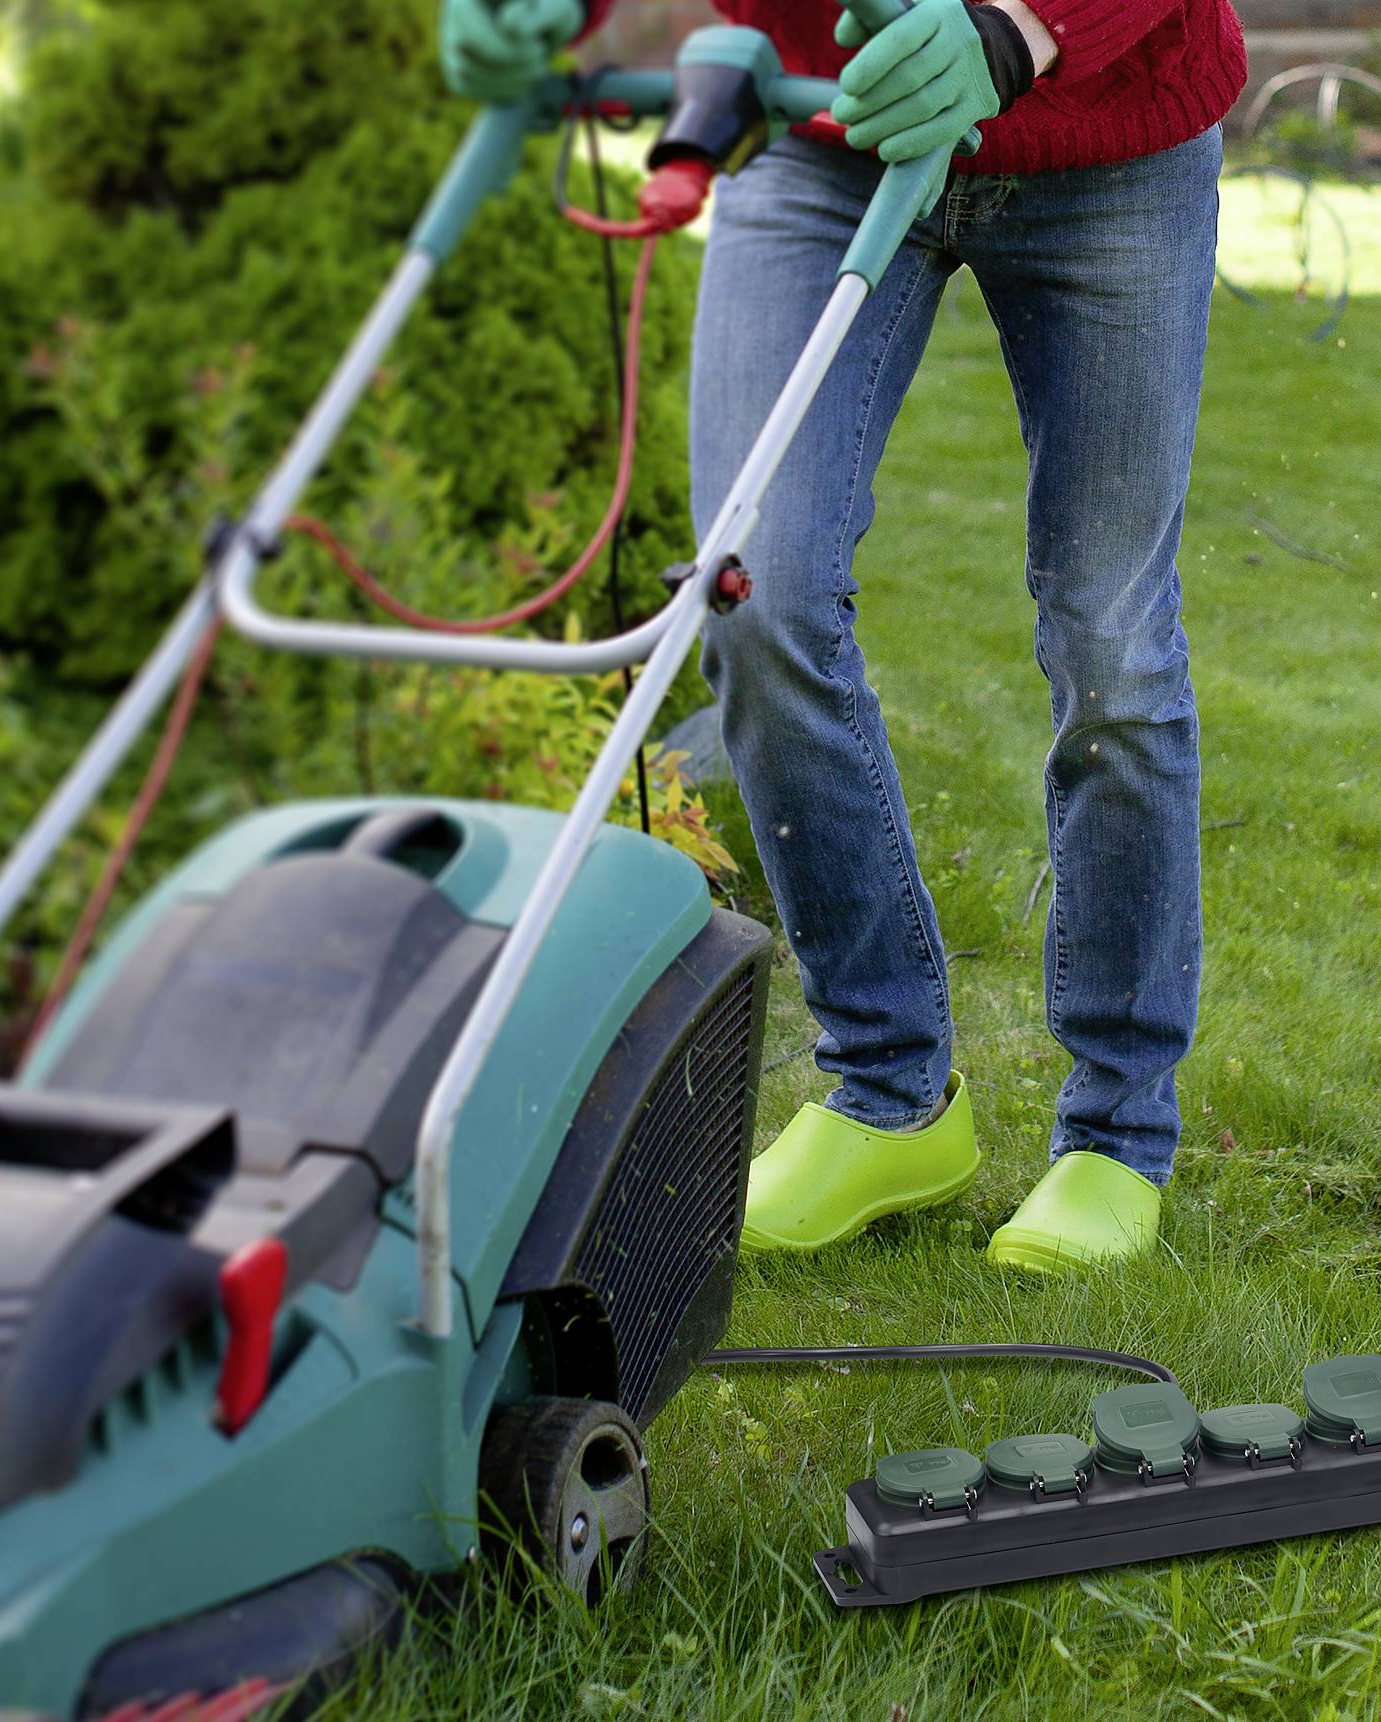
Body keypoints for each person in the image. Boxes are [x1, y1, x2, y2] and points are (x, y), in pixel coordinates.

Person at [441, 0, 1244, 1271]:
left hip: (1105, 147)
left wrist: (1016, 26)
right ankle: (888, 1094)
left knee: (1109, 638)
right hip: (827, 121)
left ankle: (1114, 1133)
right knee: (753, 589)